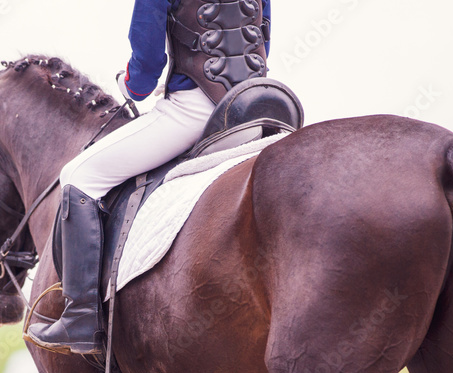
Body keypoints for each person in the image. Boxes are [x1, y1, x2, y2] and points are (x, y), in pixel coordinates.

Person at [25, 0, 271, 354]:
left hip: (197, 109)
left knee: (78, 175)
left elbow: (147, 63)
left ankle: (80, 318)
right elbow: (260, 38)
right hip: (257, 105)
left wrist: (133, 88)